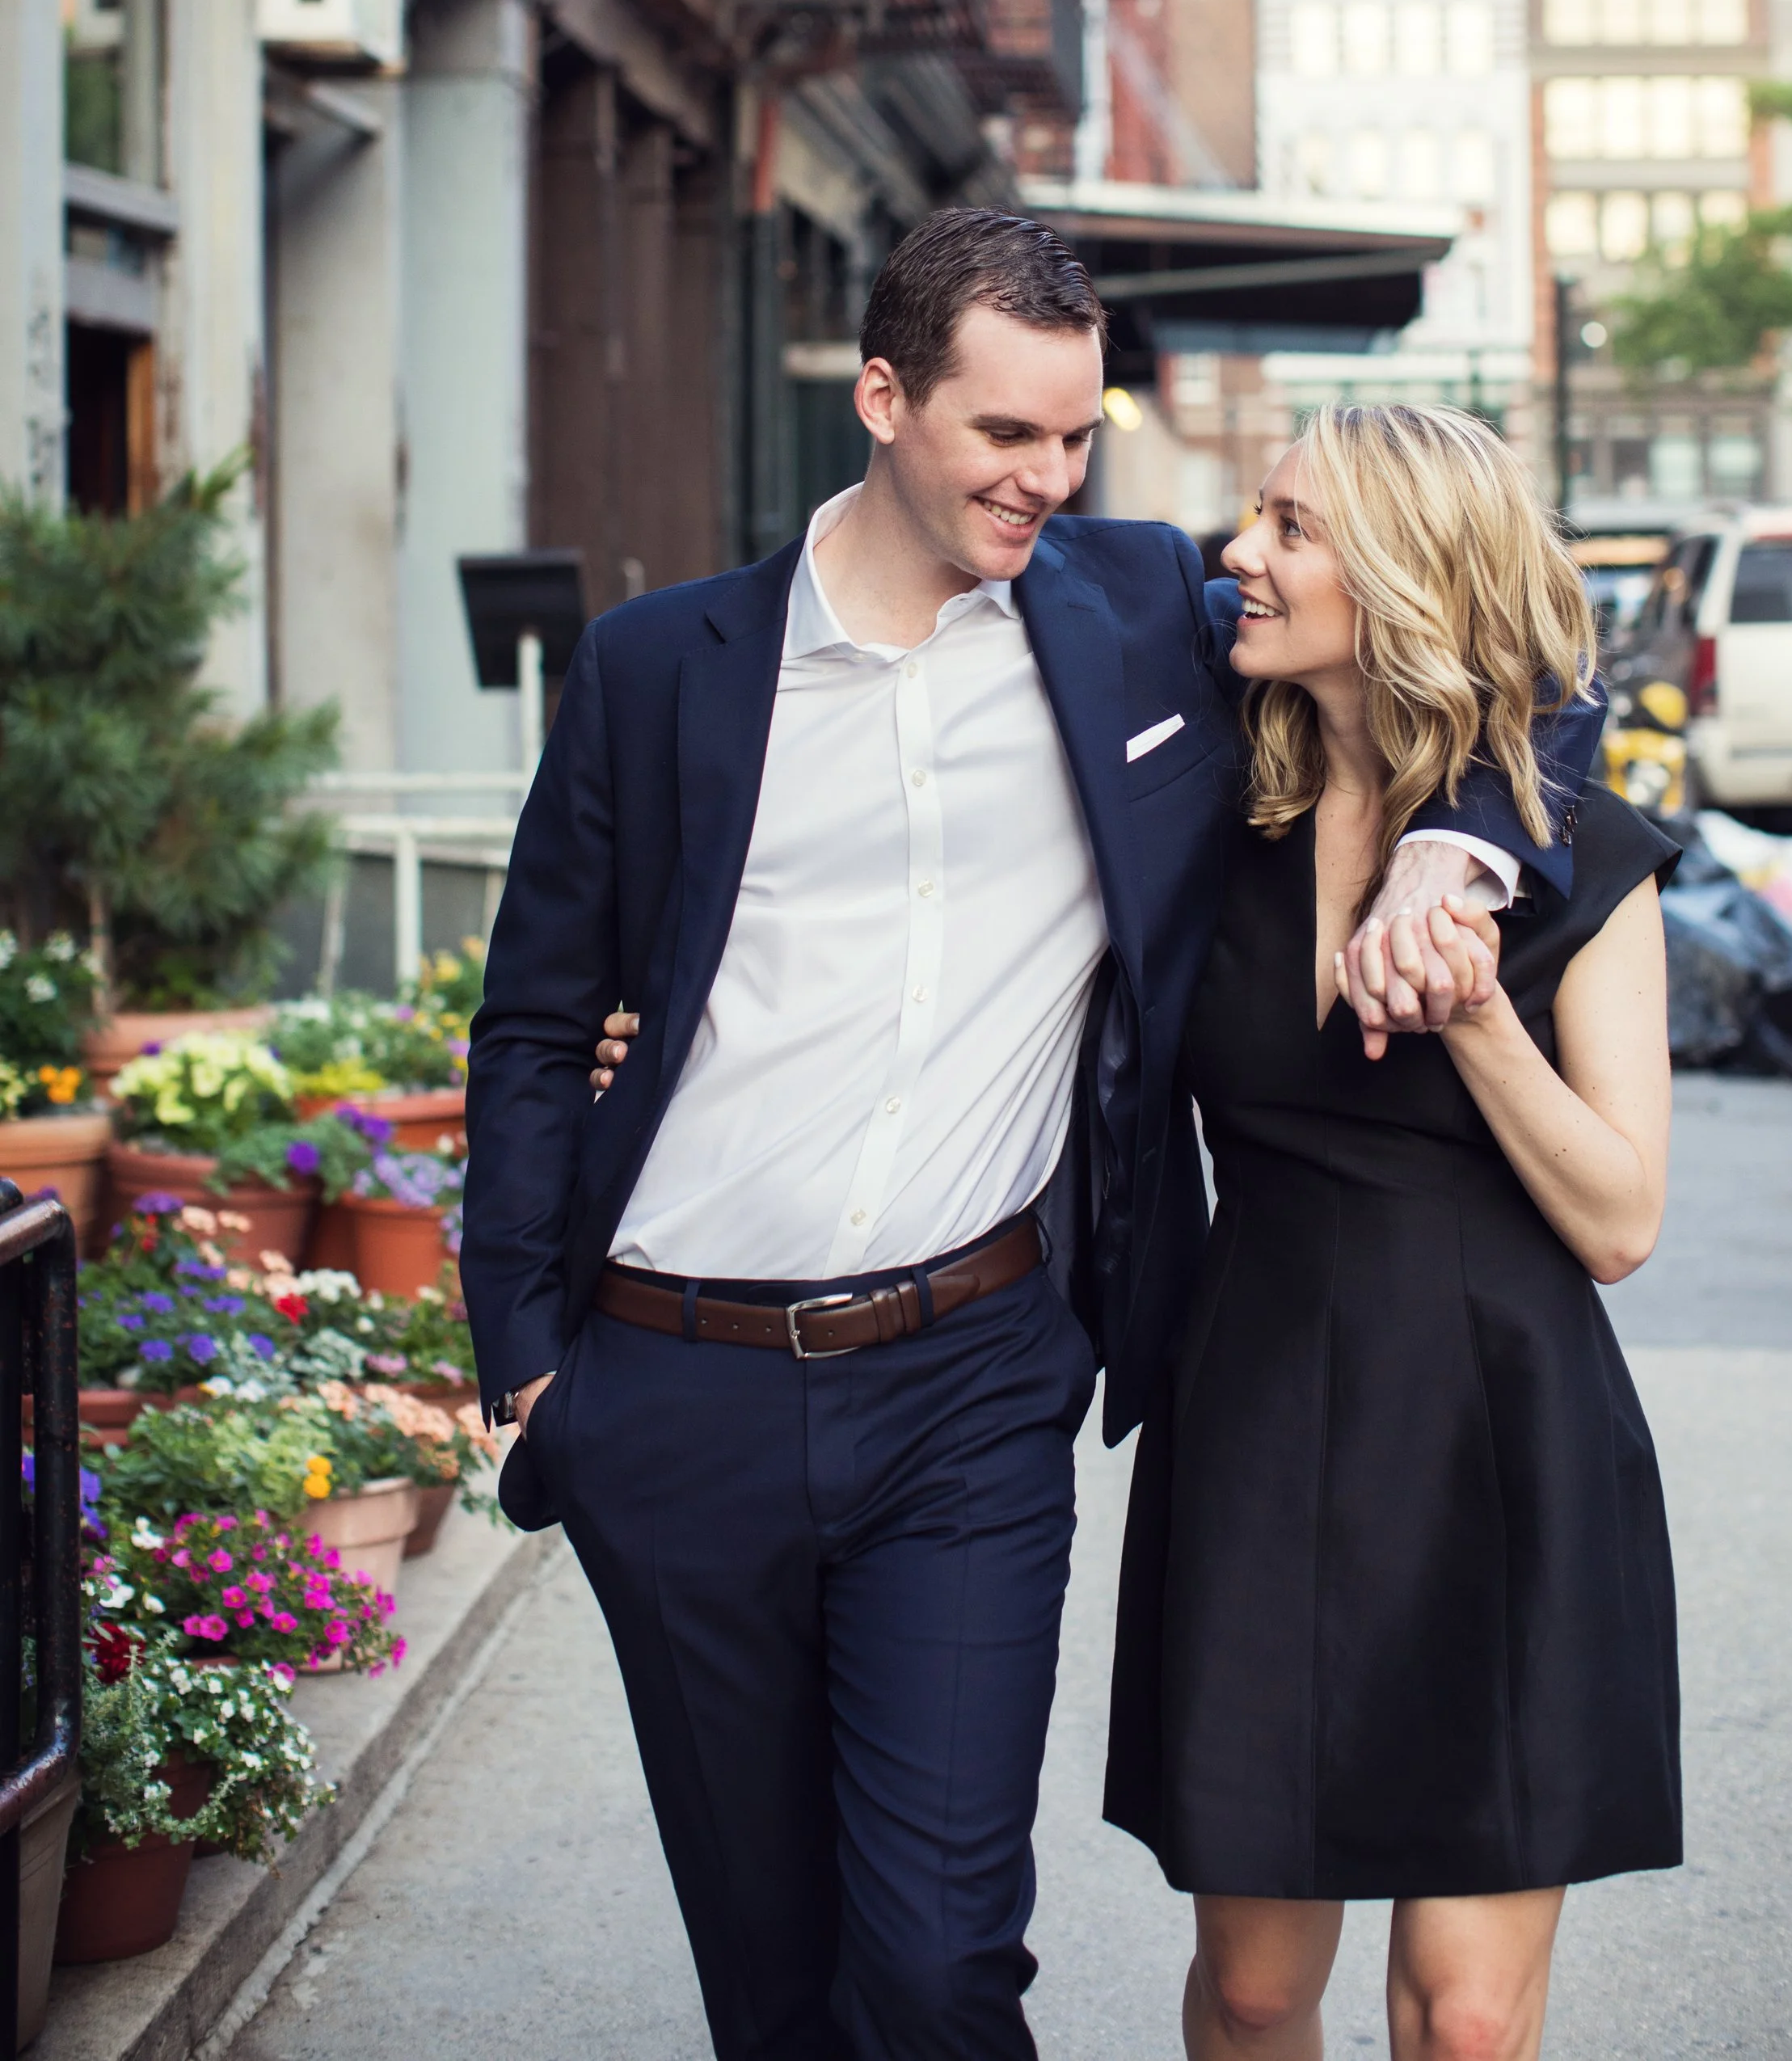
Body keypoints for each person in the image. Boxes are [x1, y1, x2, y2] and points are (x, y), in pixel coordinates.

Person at [460, 209, 1604, 2061]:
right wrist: (524, 1364)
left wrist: (1443, 853)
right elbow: (530, 1026)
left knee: (934, 1966)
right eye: (1006, 438)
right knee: (772, 1985)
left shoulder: (1139, 611)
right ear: (885, 396)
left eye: (1075, 437)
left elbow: (1509, 651)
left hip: (974, 1385)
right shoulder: (658, 669)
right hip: (671, 1388)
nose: (1046, 480)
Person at [1104, 401, 1681, 2061]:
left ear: (1410, 573)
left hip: (1501, 1436)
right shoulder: (1213, 821)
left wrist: (1479, 1018)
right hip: (1255, 1418)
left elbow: (1620, 1217)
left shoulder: (1572, 860)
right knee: (1256, 1989)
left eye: (1288, 529)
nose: (1239, 559)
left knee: (1465, 2021)